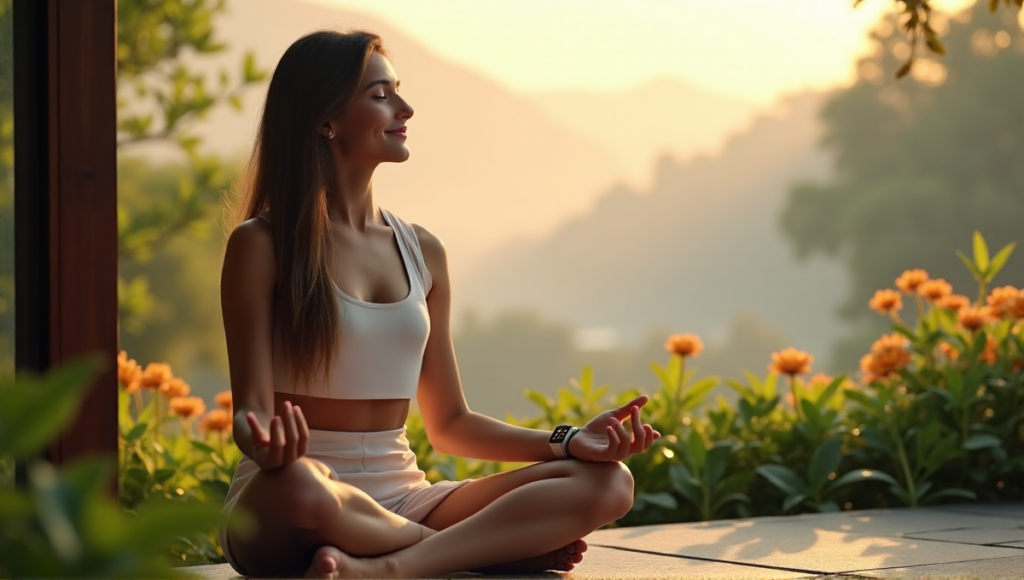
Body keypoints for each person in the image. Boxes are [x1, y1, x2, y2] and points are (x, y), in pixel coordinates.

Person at [218, 29, 661, 579]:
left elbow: (450, 423)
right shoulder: (262, 245)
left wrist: (569, 441)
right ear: (325, 119)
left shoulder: (423, 251)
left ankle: (389, 568)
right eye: (380, 95)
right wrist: (264, 444)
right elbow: (250, 410)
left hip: (405, 499)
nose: (405, 108)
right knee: (304, 486)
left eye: (397, 90)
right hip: (289, 501)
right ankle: (471, 554)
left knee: (609, 482)